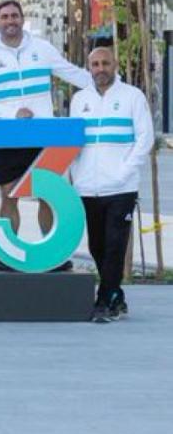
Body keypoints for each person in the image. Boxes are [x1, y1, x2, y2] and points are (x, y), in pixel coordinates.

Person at [0, 0, 93, 272]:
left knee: (47, 195)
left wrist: (104, 84)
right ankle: (8, 255)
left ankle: (52, 255)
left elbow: (71, 73)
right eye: (4, 16)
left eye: (14, 15)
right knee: (8, 195)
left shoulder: (42, 48)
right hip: (9, 136)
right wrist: (12, 111)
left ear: (22, 18)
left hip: (44, 134)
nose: (10, 20)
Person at [69, 46, 152, 322]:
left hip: (121, 187)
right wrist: (75, 175)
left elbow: (145, 139)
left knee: (115, 244)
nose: (100, 69)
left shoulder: (132, 97)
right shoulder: (79, 99)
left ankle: (104, 301)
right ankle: (116, 293)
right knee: (97, 245)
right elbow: (72, 143)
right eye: (95, 64)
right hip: (88, 188)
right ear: (89, 67)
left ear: (115, 65)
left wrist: (124, 171)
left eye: (105, 63)